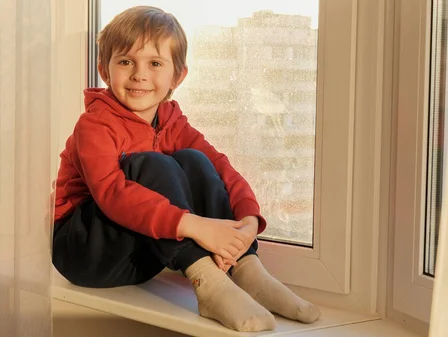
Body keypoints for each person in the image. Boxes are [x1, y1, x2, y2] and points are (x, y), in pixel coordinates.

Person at [51, 5, 320, 332]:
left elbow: (220, 168)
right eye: (125, 62)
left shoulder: (172, 122)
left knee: (195, 159)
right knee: (151, 165)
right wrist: (195, 226)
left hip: (142, 256)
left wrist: (248, 220)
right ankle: (207, 284)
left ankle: (248, 270)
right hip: (82, 252)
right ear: (105, 72)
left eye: (155, 63)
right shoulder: (94, 125)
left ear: (177, 76)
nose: (139, 74)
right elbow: (111, 194)